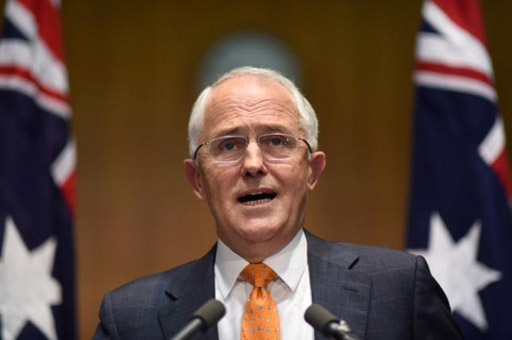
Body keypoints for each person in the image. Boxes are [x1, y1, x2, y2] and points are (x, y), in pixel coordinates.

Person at [93, 67, 463, 339]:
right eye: (228, 145)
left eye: (277, 142)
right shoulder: (129, 318)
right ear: (197, 180)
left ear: (312, 171)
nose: (253, 164)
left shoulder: (397, 289)